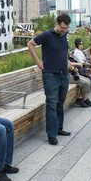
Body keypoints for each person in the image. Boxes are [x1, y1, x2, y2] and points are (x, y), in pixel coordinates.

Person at [27, 14, 72, 146]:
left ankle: (59, 128)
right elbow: (30, 44)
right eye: (63, 27)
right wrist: (38, 62)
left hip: (64, 75)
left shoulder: (65, 36)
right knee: (51, 103)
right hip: (51, 75)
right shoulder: (47, 35)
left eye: (67, 28)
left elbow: (62, 53)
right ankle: (51, 134)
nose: (65, 30)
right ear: (57, 24)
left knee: (60, 103)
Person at [69, 39, 91, 107]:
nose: (82, 45)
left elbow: (69, 63)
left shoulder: (81, 51)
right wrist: (74, 67)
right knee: (86, 82)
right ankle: (81, 99)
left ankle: (83, 98)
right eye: (80, 44)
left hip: (75, 71)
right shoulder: (76, 52)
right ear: (77, 44)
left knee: (88, 81)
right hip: (74, 72)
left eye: (82, 43)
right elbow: (81, 62)